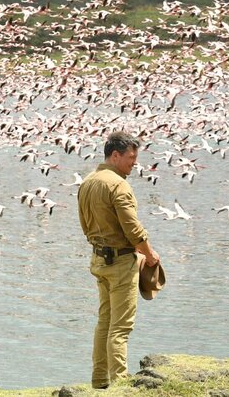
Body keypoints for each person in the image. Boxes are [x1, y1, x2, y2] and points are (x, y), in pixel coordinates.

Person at [78, 131, 160, 389]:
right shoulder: (118, 184)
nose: (134, 163)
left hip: (98, 260)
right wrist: (149, 253)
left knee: (104, 321)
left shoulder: (88, 181)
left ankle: (100, 380)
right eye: (131, 157)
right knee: (121, 327)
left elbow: (84, 224)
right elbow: (132, 229)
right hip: (121, 263)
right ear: (115, 155)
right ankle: (120, 384)